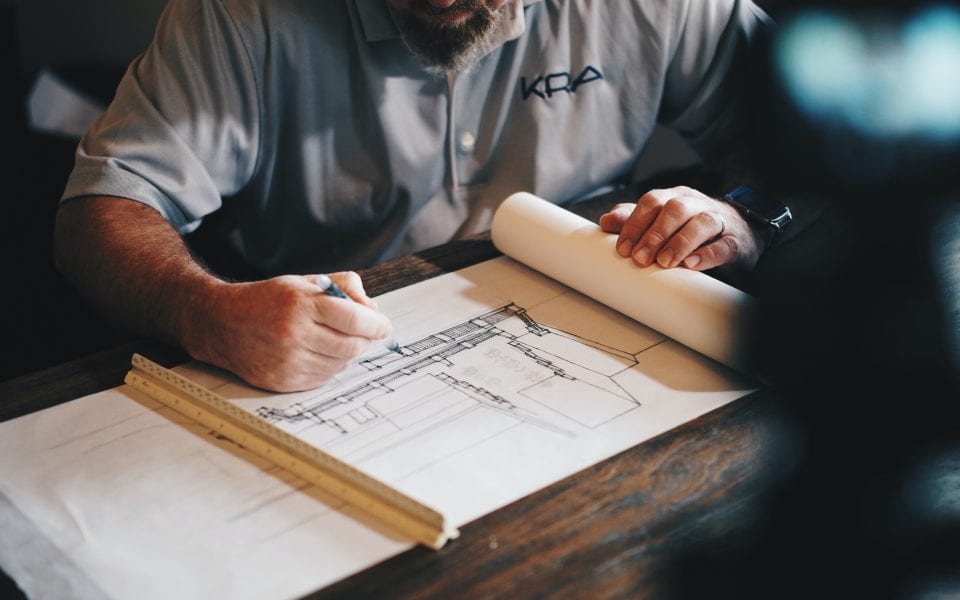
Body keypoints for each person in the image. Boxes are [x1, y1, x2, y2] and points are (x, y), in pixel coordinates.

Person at [54, 0, 776, 392]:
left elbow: (826, 142)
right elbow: (101, 211)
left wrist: (743, 213)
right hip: (322, 354)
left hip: (606, 348)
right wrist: (204, 312)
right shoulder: (240, 17)